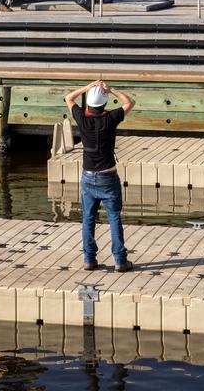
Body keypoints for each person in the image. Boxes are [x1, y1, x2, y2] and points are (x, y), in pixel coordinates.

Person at [63, 78, 135, 272]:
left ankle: (89, 259)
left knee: (88, 218)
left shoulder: (81, 118)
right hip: (108, 177)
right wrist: (111, 89)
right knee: (114, 218)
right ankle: (120, 261)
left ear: (88, 104)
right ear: (104, 104)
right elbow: (129, 102)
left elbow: (68, 98)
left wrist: (86, 87)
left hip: (88, 177)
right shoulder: (110, 118)